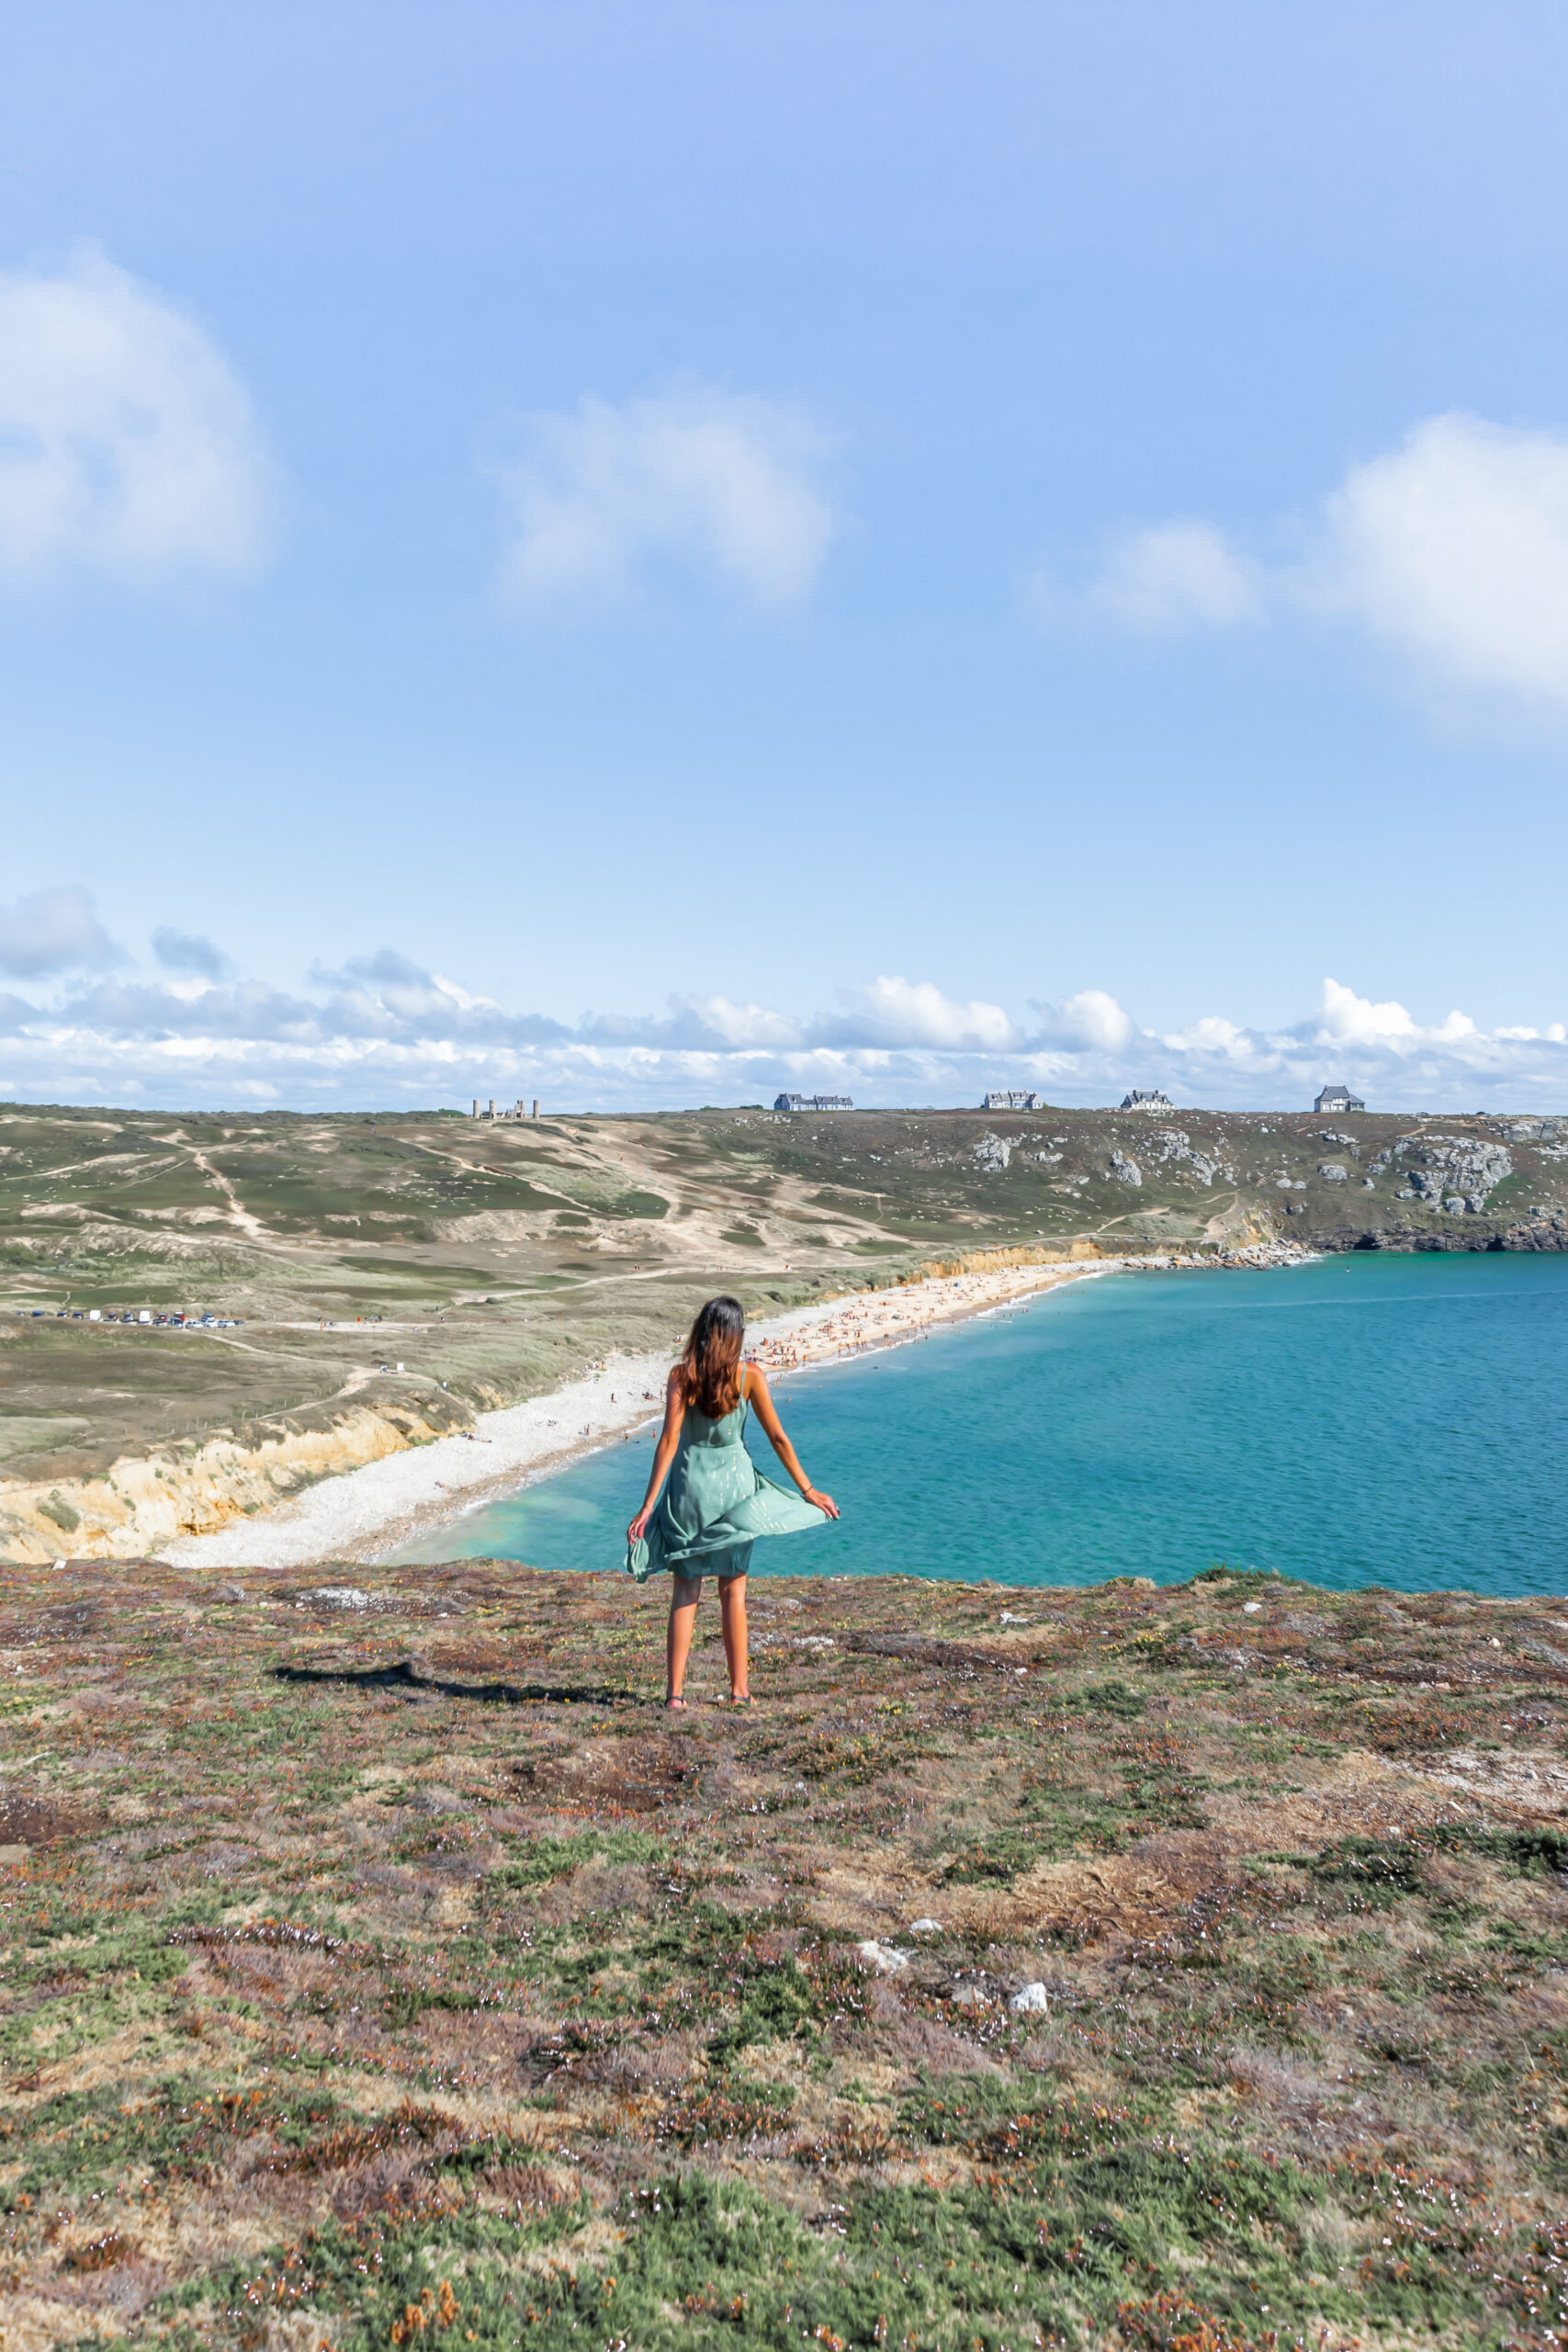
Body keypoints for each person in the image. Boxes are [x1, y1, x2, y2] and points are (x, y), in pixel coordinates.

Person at [626, 1295, 839, 1707]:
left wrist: (648, 1504)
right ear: (735, 1336)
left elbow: (668, 1443)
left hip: (688, 1490)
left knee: (686, 1590)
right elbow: (778, 1438)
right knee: (733, 1590)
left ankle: (675, 1696)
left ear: (702, 1334)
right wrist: (808, 1490)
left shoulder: (680, 1376)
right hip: (735, 1492)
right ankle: (740, 1691)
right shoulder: (751, 1376)